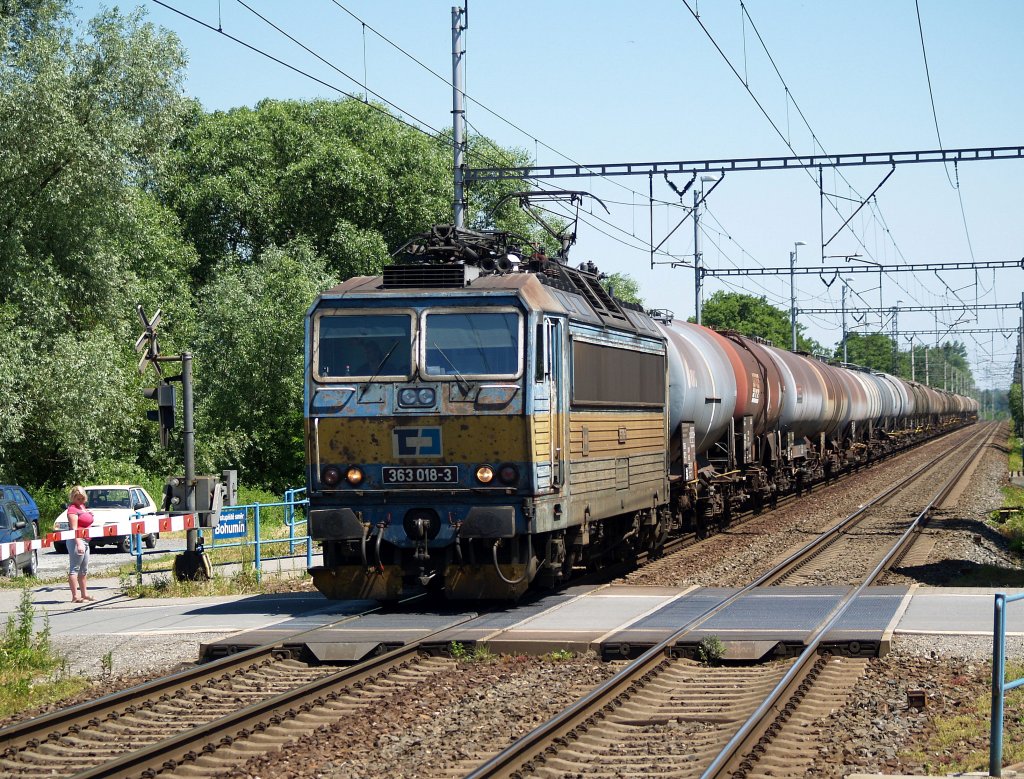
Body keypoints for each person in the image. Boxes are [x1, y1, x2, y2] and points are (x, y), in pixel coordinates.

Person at [66, 485, 94, 603]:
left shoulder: (82, 507)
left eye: (82, 498)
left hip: (86, 540)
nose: (81, 501)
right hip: (77, 540)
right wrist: (79, 543)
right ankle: (75, 596)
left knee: (84, 569)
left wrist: (90, 514)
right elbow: (74, 528)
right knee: (75, 568)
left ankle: (84, 594)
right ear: (73, 498)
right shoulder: (72, 509)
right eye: (78, 498)